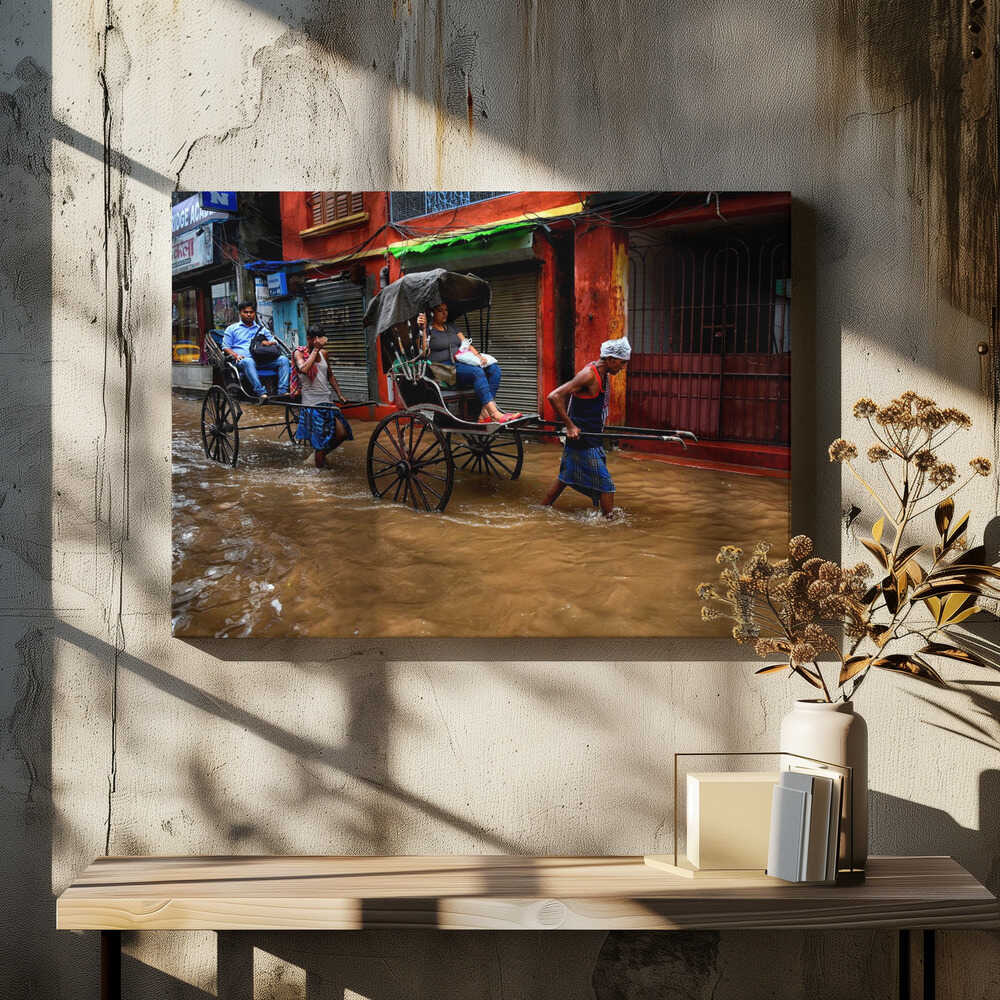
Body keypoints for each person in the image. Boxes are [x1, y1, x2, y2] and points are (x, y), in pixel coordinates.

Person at [542, 336, 631, 518]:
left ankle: (540, 510)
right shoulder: (589, 374)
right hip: (583, 438)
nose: (622, 368)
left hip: (591, 434)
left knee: (564, 478)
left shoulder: (602, 372)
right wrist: (570, 426)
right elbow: (554, 396)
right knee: (607, 486)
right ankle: (610, 523)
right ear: (611, 359)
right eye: (621, 363)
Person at [418, 303, 520, 424]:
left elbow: (466, 343)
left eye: (446, 310)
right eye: (440, 311)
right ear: (432, 313)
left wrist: (478, 356)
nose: (445, 313)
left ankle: (484, 413)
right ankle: (495, 413)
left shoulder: (451, 327)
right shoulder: (428, 330)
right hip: (442, 370)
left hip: (459, 364)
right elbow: (424, 352)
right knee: (476, 372)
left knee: (494, 369)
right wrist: (423, 329)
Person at [293, 325, 353, 468]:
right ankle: (320, 477)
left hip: (326, 400)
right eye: (315, 339)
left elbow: (330, 375)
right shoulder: (299, 353)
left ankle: (316, 458)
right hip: (311, 404)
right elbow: (304, 369)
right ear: (309, 339)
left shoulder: (324, 353)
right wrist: (315, 350)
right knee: (321, 443)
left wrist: (340, 394)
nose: (319, 341)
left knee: (342, 433)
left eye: (321, 338)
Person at [221, 301, 290, 401]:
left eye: (251, 312)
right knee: (249, 361)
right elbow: (225, 347)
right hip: (243, 361)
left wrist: (268, 343)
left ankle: (282, 391)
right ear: (240, 313)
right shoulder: (232, 329)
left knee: (283, 360)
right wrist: (236, 355)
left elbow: (274, 342)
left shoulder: (262, 329)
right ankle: (261, 393)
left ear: (255, 313)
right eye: (246, 312)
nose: (249, 314)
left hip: (262, 360)